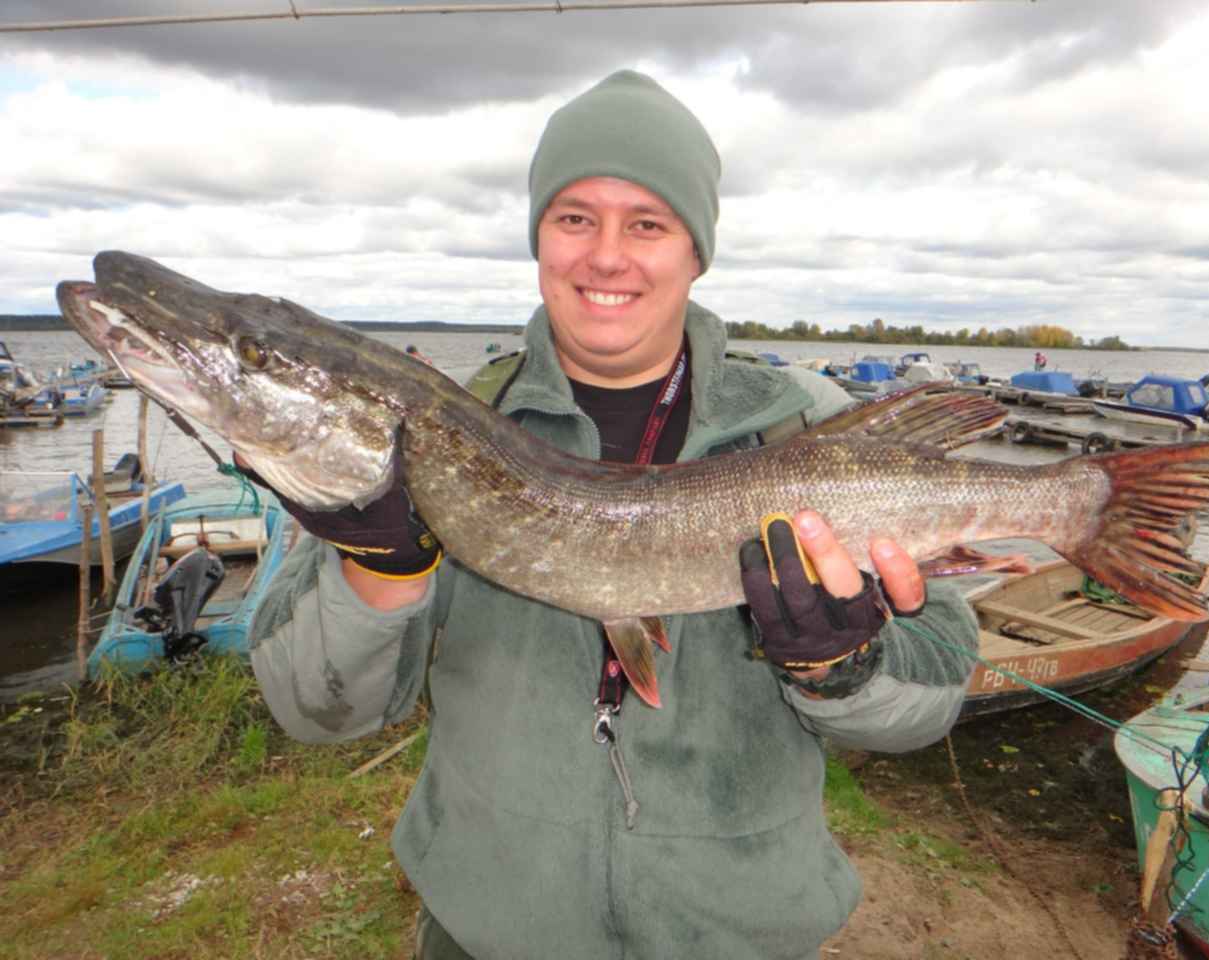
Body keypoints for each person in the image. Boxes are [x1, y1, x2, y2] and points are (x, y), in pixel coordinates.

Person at [246, 70, 979, 960]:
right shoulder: (423, 440)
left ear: (695, 251)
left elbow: (930, 700)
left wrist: (844, 665)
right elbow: (316, 712)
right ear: (540, 240)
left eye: (647, 223)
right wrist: (377, 568)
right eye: (574, 218)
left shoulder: (808, 424)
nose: (606, 256)